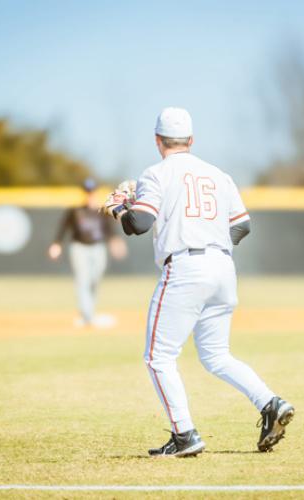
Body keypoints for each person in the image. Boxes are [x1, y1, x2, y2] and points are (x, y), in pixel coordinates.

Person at [105, 108, 294, 457]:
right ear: (191, 141)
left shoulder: (155, 173)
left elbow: (140, 223)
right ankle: (270, 403)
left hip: (186, 267)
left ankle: (184, 436)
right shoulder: (218, 175)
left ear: (158, 141)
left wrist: (119, 208)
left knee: (157, 357)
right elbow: (242, 226)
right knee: (217, 355)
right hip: (223, 265)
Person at [48, 178, 127, 328]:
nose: (90, 194)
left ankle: (88, 313)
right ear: (84, 193)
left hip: (98, 248)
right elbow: (63, 228)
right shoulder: (75, 211)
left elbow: (109, 230)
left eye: (92, 191)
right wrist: (56, 244)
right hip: (79, 248)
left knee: (94, 280)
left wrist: (116, 242)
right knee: (83, 280)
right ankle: (88, 317)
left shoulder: (102, 211)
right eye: (87, 191)